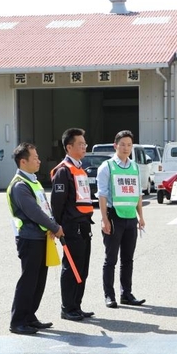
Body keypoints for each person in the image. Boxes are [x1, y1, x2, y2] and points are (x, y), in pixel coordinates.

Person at [7, 142, 64, 335]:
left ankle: (30, 316)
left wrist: (52, 225)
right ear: (23, 162)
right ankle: (18, 321)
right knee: (29, 280)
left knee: (39, 280)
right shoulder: (20, 185)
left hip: (42, 237)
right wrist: (54, 227)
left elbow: (45, 208)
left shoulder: (34, 181)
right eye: (35, 158)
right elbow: (34, 212)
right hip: (29, 238)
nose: (39, 161)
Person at [96, 130, 146, 308]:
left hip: (131, 217)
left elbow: (138, 193)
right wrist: (104, 219)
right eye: (122, 144)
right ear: (115, 145)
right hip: (113, 216)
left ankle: (127, 293)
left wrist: (141, 216)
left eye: (129, 145)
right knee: (111, 259)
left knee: (128, 259)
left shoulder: (134, 167)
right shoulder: (107, 166)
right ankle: (109, 295)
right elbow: (102, 195)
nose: (126, 148)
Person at [50, 128, 94, 321]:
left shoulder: (80, 168)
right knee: (72, 268)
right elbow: (57, 203)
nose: (84, 147)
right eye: (80, 144)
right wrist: (58, 228)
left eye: (85, 143)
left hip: (84, 225)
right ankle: (67, 307)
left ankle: (77, 305)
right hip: (71, 226)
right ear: (69, 147)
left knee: (83, 267)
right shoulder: (63, 170)